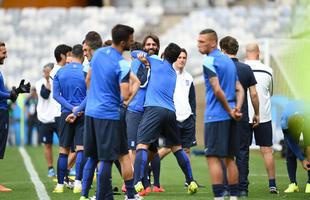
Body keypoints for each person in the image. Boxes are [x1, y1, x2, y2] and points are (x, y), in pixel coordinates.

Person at [67, 24, 141, 200]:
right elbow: (125, 94)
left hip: (92, 113)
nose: (132, 41)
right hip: (109, 115)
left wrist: (95, 98)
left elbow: (88, 80)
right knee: (109, 158)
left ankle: (112, 195)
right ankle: (111, 196)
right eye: (131, 39)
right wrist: (124, 94)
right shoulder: (122, 64)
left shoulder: (99, 54)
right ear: (123, 42)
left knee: (98, 156)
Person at [133, 43, 198, 195]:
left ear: (163, 53)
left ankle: (136, 182)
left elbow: (134, 53)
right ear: (175, 58)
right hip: (170, 112)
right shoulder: (173, 73)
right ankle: (191, 180)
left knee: (142, 146)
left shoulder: (155, 62)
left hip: (153, 109)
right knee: (177, 148)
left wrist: (142, 58)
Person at [197, 29, 244, 200]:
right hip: (231, 116)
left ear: (212, 42)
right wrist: (236, 109)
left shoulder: (209, 61)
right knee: (229, 158)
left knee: (213, 158)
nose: (198, 45)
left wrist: (229, 110)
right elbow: (240, 88)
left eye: (202, 42)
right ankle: (234, 197)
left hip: (216, 116)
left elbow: (217, 89)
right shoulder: (229, 61)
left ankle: (218, 197)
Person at [219, 36, 260, 197]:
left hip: (223, 116)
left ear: (223, 50)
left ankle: (227, 186)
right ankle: (242, 187)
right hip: (242, 117)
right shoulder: (246, 69)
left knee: (225, 152)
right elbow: (254, 94)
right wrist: (257, 113)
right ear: (236, 50)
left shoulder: (219, 68)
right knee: (242, 152)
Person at [126, 34, 164, 195]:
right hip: (135, 109)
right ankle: (137, 181)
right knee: (134, 148)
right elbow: (133, 54)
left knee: (153, 149)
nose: (151, 46)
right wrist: (140, 56)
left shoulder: (158, 64)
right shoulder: (137, 61)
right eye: (148, 44)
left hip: (151, 111)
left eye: (154, 44)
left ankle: (143, 176)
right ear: (143, 47)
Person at [158, 48, 197, 185]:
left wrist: (193, 117)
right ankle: (149, 169)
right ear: (175, 58)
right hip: (171, 117)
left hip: (187, 118)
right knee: (168, 148)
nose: (182, 60)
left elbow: (192, 100)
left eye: (184, 58)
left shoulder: (189, 77)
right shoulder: (168, 74)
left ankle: (189, 180)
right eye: (179, 57)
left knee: (186, 149)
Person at [52, 44, 87, 194]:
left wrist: (71, 108)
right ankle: (78, 183)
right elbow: (90, 94)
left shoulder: (60, 72)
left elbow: (55, 95)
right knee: (80, 150)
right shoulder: (86, 72)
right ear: (83, 56)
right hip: (83, 113)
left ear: (70, 56)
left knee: (63, 151)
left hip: (66, 114)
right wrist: (78, 109)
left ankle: (60, 185)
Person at [245, 43, 278, 193]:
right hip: (263, 116)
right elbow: (270, 93)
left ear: (246, 53)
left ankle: (241, 184)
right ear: (258, 53)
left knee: (242, 151)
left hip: (244, 116)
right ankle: (272, 185)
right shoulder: (268, 70)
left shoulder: (240, 68)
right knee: (266, 150)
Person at [0, 41, 31, 192]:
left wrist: (16, 91)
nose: (6, 55)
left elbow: (5, 93)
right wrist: (10, 94)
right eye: (3, 52)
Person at [281, 100, 310, 193]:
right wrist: (302, 159)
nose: (297, 133)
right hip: (294, 119)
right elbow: (291, 141)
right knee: (290, 151)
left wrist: (305, 157)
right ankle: (293, 184)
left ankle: (309, 183)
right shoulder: (284, 122)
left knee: (309, 149)